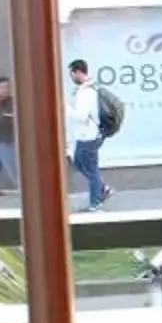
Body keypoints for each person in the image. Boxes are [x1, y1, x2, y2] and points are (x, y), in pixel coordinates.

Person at [66, 58, 113, 210]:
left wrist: (64, 108)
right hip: (86, 135)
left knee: (90, 169)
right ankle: (102, 189)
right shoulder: (88, 90)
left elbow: (82, 116)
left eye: (72, 74)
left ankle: (96, 202)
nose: (71, 78)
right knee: (79, 163)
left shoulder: (86, 92)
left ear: (78, 72)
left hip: (89, 136)